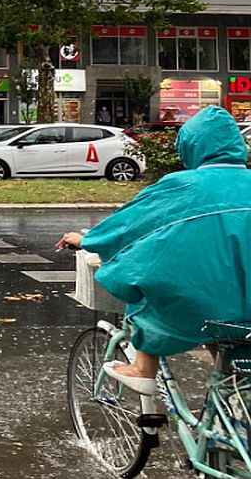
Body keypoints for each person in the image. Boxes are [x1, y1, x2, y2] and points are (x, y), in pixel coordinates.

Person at [57, 106, 251, 395]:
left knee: (148, 294)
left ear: (191, 146)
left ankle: (143, 370)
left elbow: (129, 225)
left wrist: (87, 239)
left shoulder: (180, 186)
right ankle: (234, 399)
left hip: (196, 309)